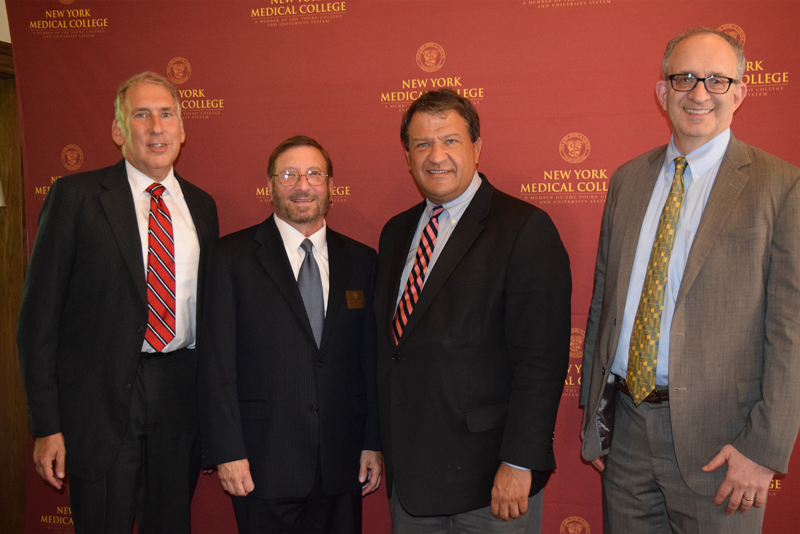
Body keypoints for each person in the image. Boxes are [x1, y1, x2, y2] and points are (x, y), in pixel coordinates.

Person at [580, 27, 800, 533]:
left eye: (717, 80)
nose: (699, 94)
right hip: (627, 432)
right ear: (663, 92)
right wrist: (596, 420)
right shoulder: (627, 180)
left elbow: (789, 332)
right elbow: (604, 304)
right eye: (683, 78)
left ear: (740, 92)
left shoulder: (779, 186)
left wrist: (762, 451)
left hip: (724, 448)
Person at [17, 71, 219, 533]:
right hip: (99, 404)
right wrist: (46, 425)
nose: (155, 127)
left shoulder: (202, 207)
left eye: (166, 114)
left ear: (183, 130)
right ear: (117, 130)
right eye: (141, 115)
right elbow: (38, 320)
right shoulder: (75, 198)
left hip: (179, 395)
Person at [375, 89, 572, 533]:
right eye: (422, 144)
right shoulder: (396, 233)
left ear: (477, 148)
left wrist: (519, 462)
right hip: (412, 477)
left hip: (490, 481)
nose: (436, 156)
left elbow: (541, 361)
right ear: (407, 156)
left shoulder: (523, 229)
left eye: (450, 140)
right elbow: (388, 353)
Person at [197, 135, 382, 533]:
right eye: (289, 174)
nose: (303, 185)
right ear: (270, 186)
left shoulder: (363, 261)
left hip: (341, 464)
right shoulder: (230, 258)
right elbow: (215, 364)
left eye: (315, 174)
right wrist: (227, 451)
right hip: (262, 465)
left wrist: (372, 442)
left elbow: (370, 361)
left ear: (330, 185)